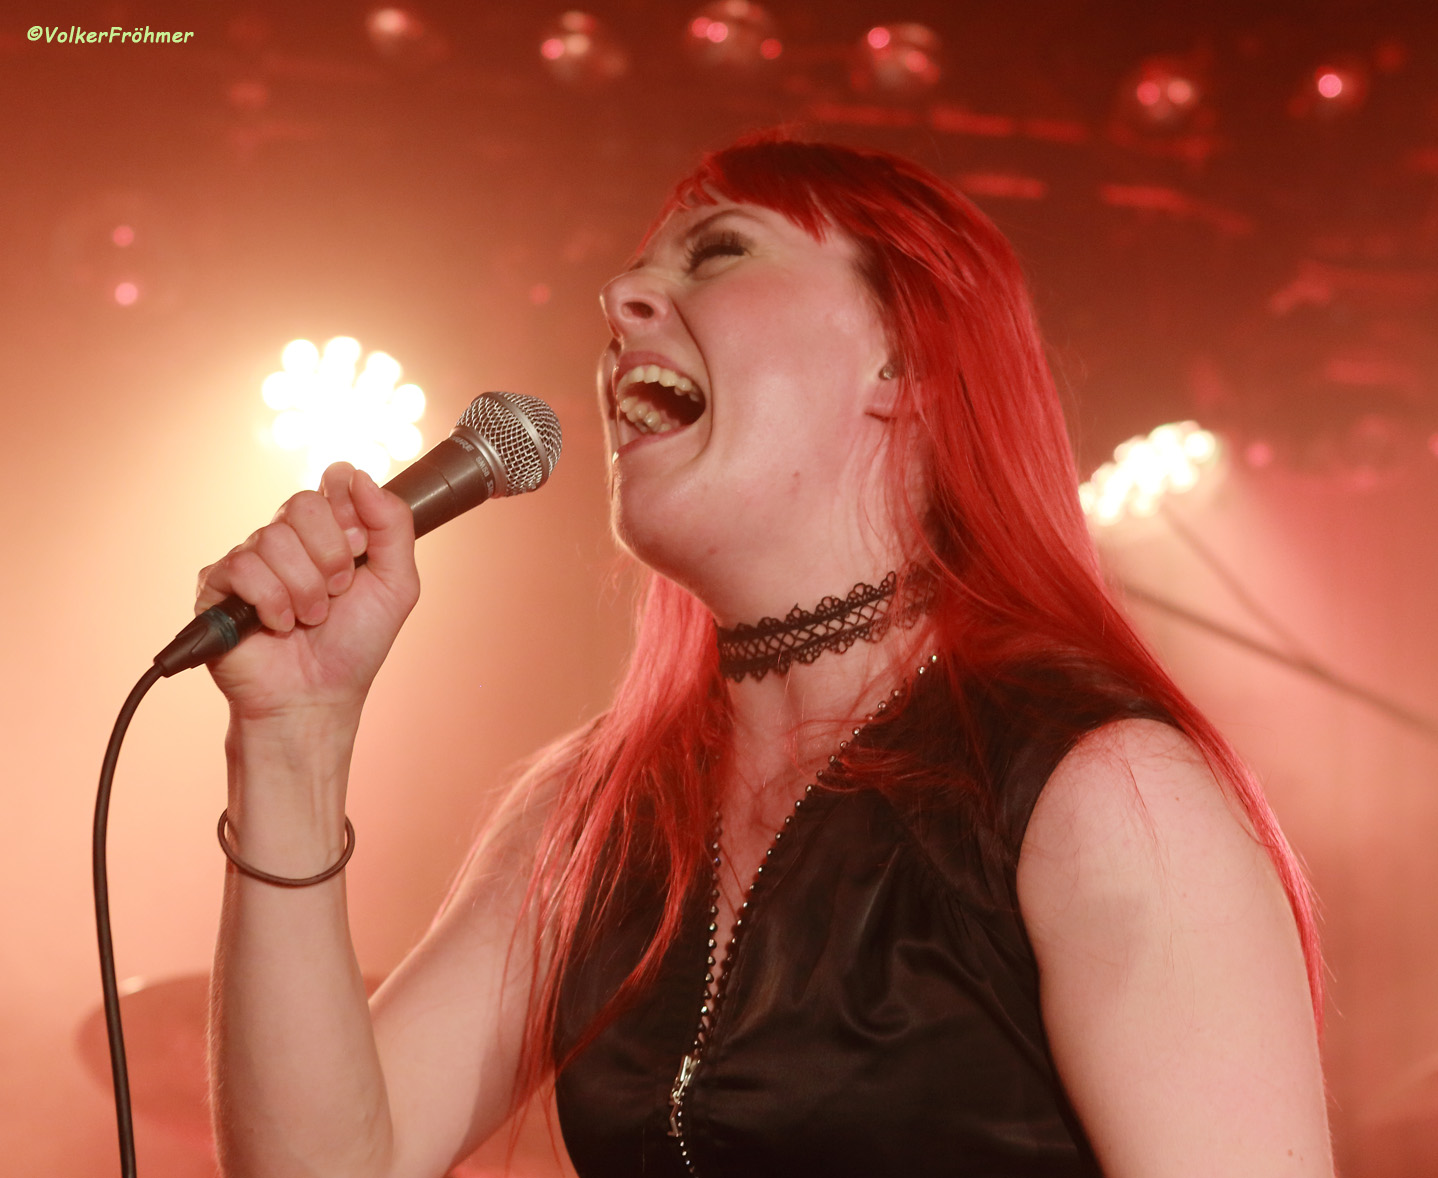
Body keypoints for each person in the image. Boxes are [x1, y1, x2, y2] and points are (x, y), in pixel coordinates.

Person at [202, 133, 1334, 1178]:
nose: (619, 299)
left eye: (720, 252)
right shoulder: (587, 816)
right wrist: (292, 743)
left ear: (903, 362)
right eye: (636, 274)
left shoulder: (1106, 792)